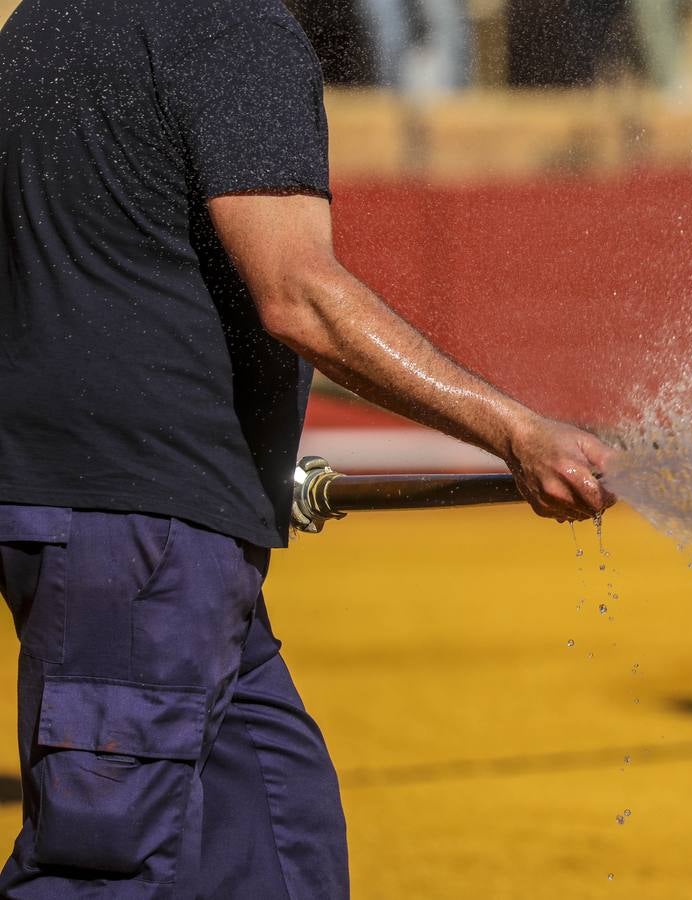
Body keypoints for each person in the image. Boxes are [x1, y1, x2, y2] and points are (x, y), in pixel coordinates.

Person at [0, 0, 614, 895]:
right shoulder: (232, 28)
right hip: (150, 535)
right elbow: (298, 295)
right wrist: (515, 429)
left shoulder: (44, 23)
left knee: (278, 836)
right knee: (102, 869)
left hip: (96, 513)